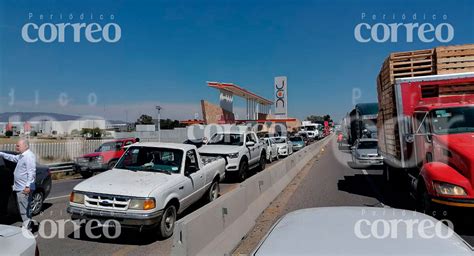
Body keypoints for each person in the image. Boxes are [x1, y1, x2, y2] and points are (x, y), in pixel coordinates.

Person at [0, 139, 36, 230]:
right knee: (25, 208)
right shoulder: (22, 156)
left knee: (24, 210)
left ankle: (27, 228)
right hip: (21, 187)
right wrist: (1, 153)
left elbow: (31, 172)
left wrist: (28, 186)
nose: (16, 147)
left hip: (24, 188)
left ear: (25, 146)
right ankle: (28, 225)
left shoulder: (29, 156)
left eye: (18, 146)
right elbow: (12, 158)